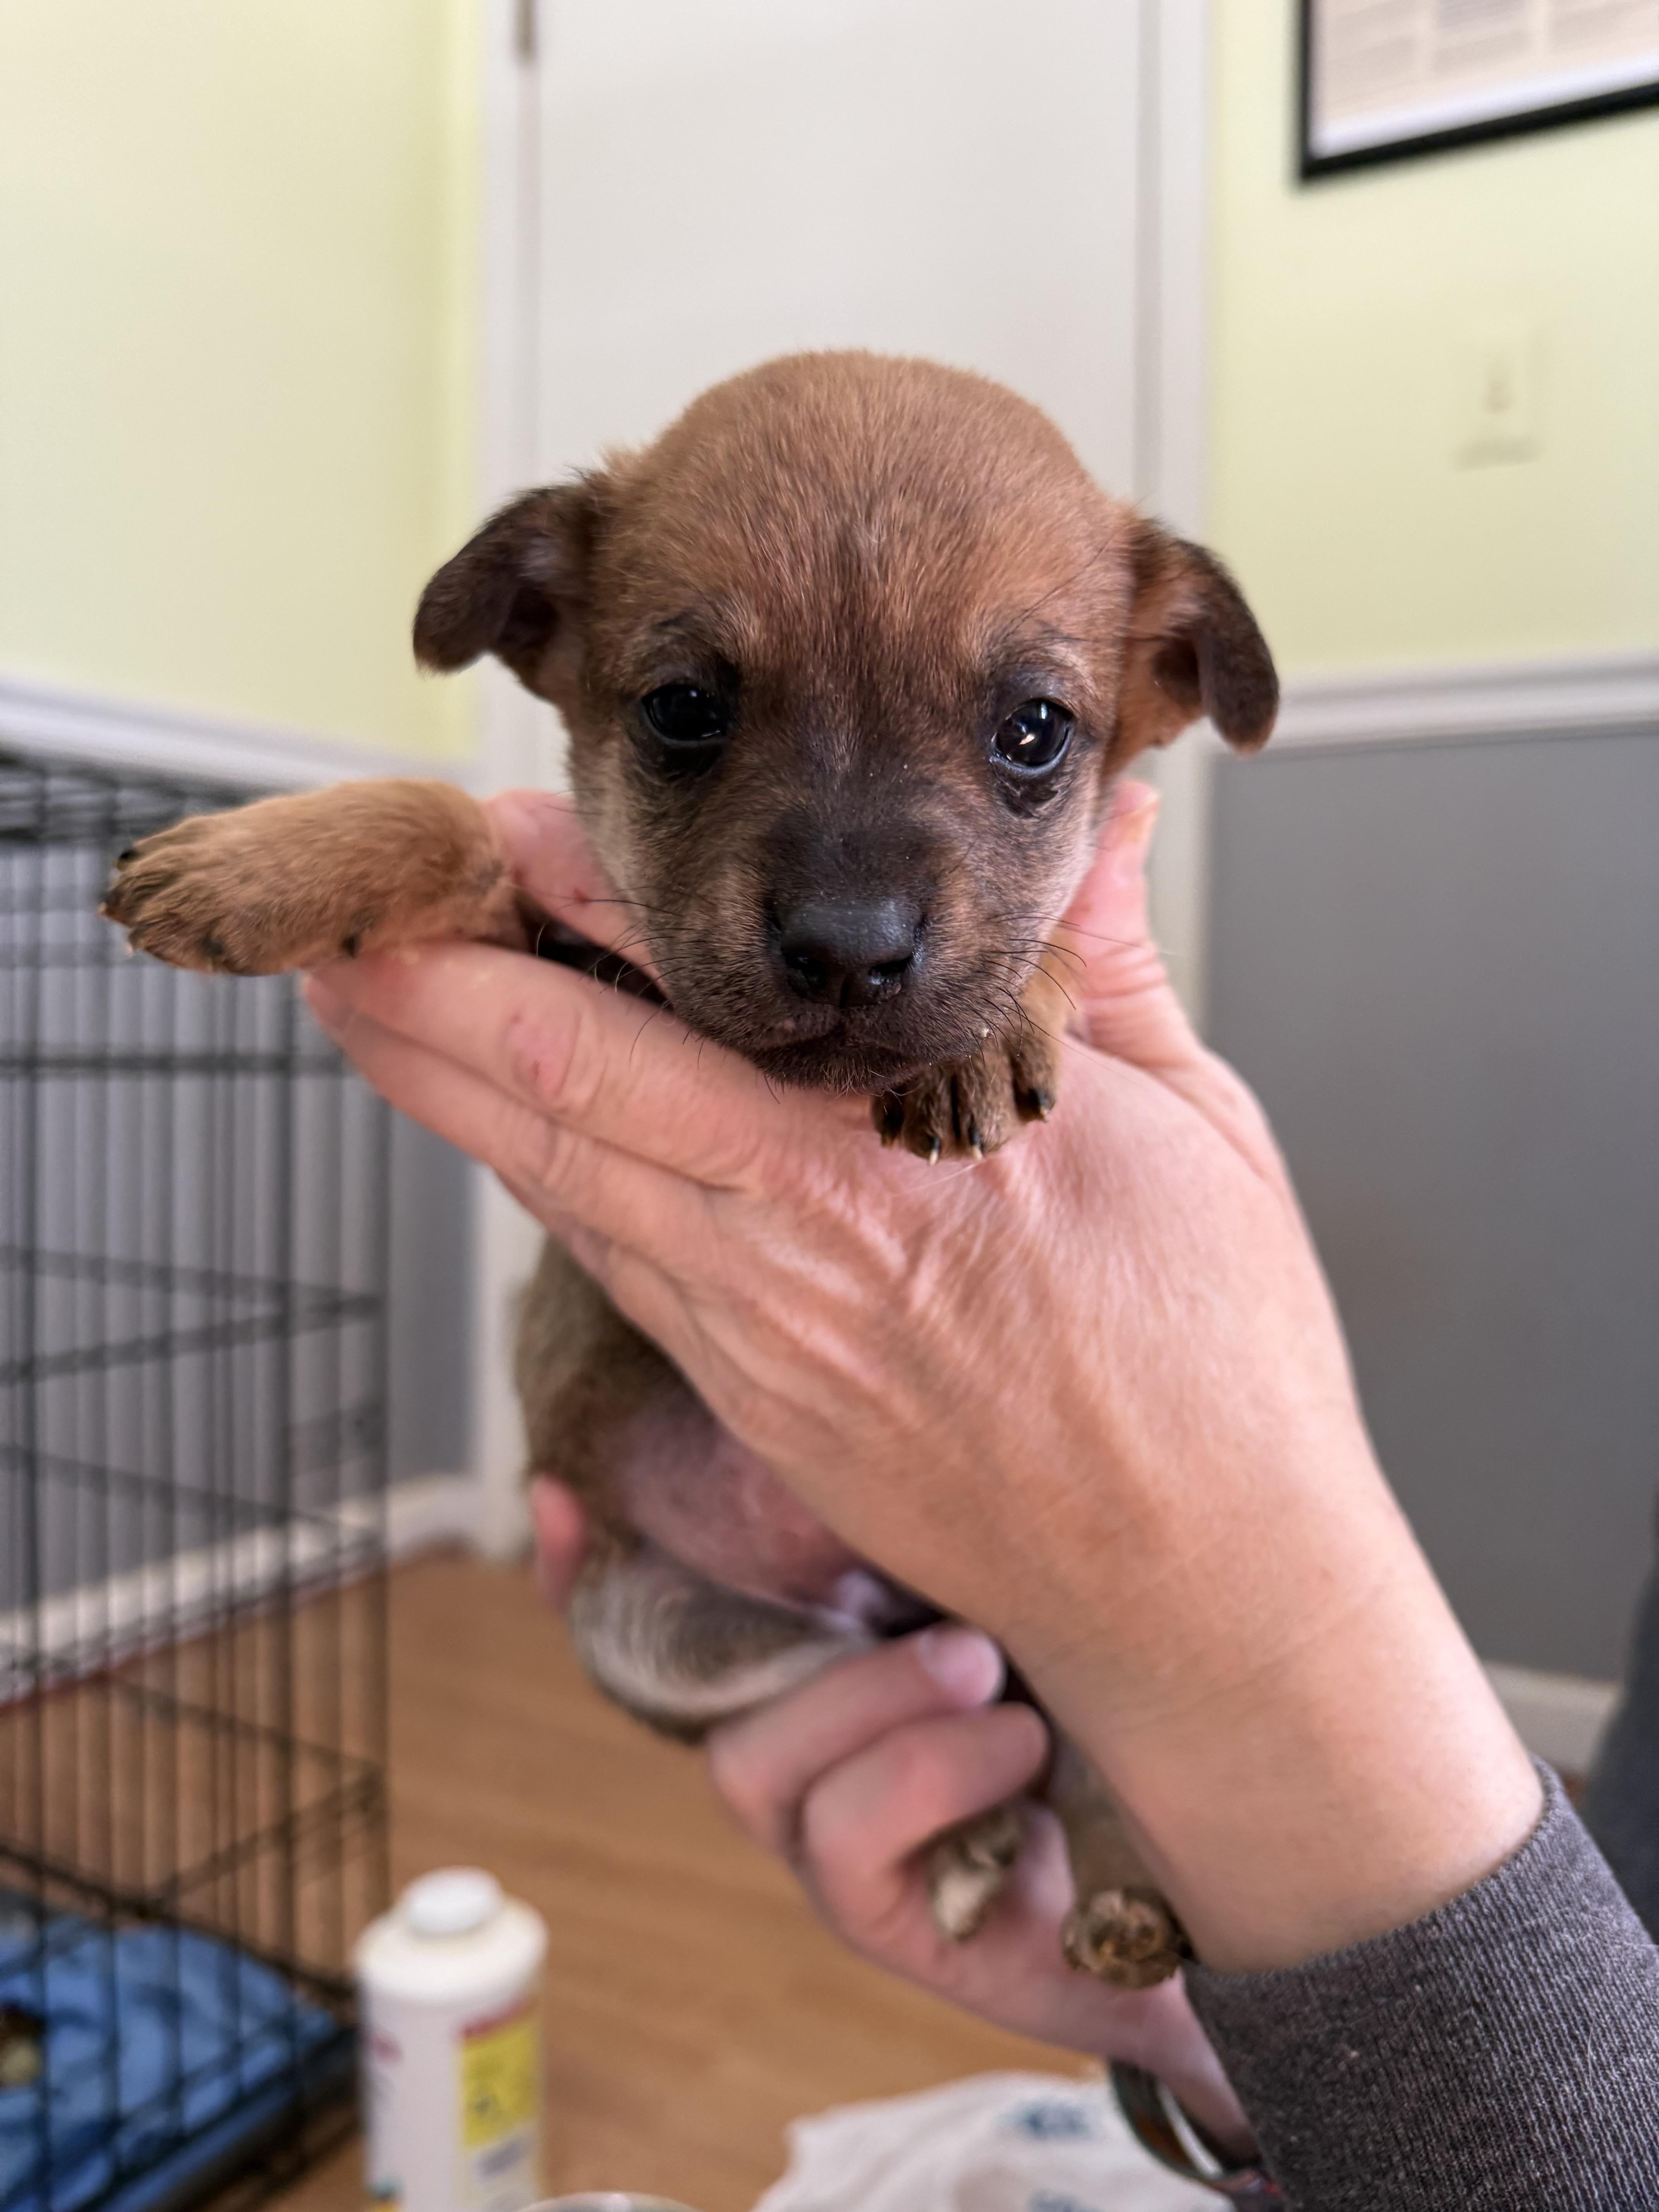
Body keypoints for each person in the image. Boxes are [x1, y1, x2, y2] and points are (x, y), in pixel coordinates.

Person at [306, 781, 1659, 2210]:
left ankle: (1097, 1834)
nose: (854, 901)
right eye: (695, 715)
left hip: (933, 1645)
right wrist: (1214, 2052)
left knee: (1011, 1705)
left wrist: (1251, 1634)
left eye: (1018, 736)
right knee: (688, 1644)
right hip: (697, 1551)